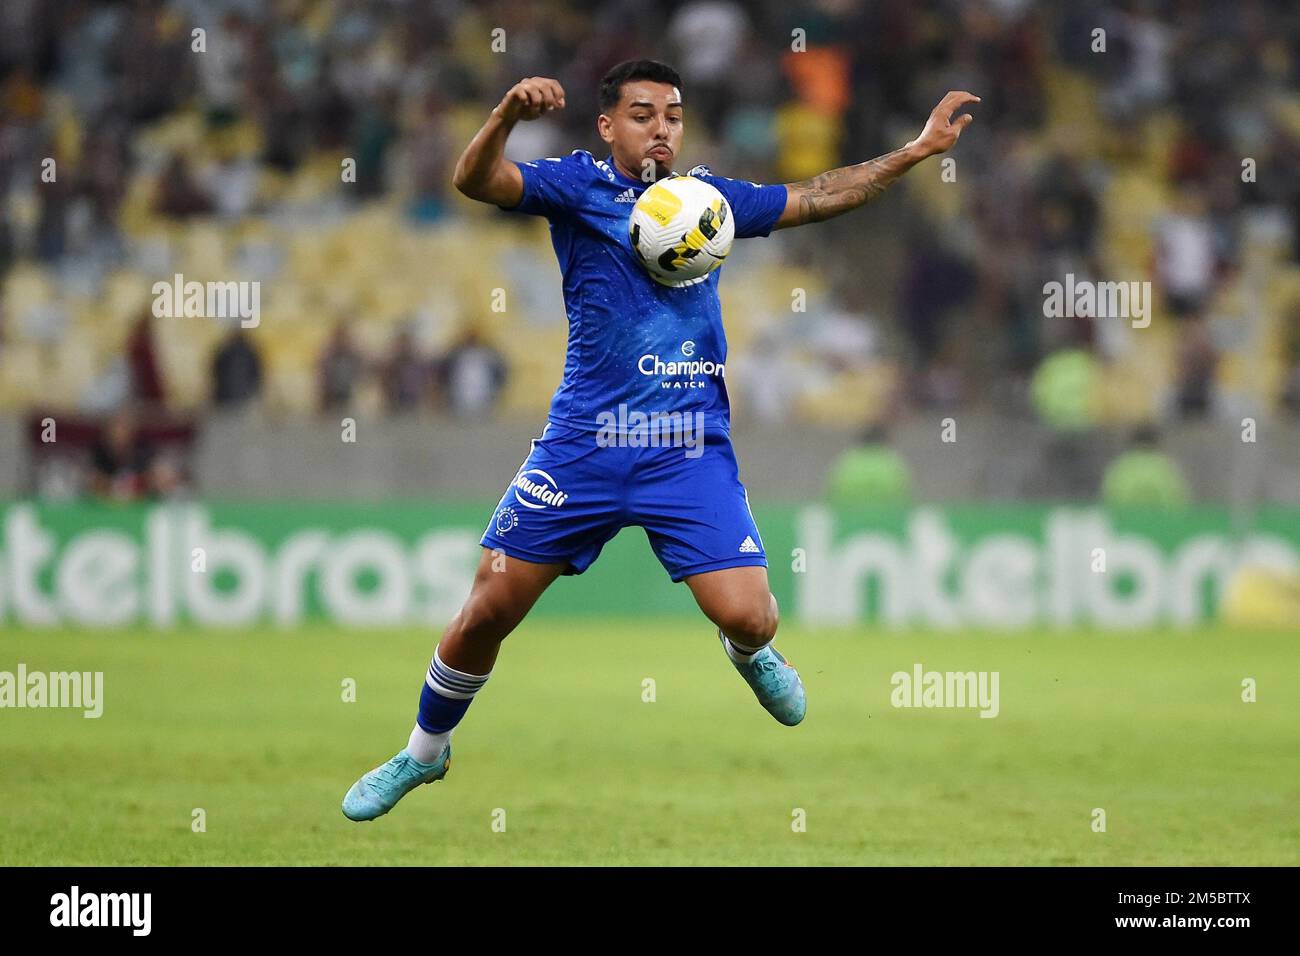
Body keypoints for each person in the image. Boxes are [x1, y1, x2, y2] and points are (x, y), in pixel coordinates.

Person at [342, 60, 978, 821]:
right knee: (485, 612)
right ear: (608, 125)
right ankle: (423, 755)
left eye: (672, 115)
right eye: (642, 114)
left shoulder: (709, 202)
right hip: (584, 443)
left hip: (686, 446)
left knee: (752, 616)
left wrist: (913, 151)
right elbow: (476, 181)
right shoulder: (577, 188)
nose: (662, 127)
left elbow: (817, 194)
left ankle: (748, 655)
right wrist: (506, 114)